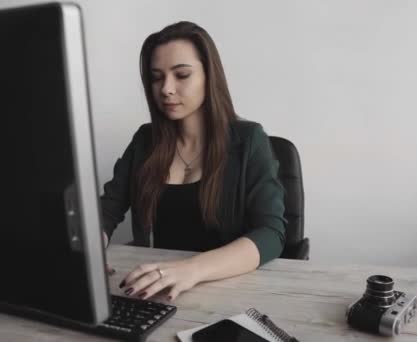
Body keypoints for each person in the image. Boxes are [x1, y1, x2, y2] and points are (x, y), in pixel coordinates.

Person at [100, 21, 286, 302]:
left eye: (182, 75)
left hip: (228, 292)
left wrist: (192, 270)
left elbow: (272, 233)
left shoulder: (248, 140)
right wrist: (88, 251)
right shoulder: (144, 141)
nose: (166, 89)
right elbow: (106, 210)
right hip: (158, 293)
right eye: (156, 77)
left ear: (209, 76)